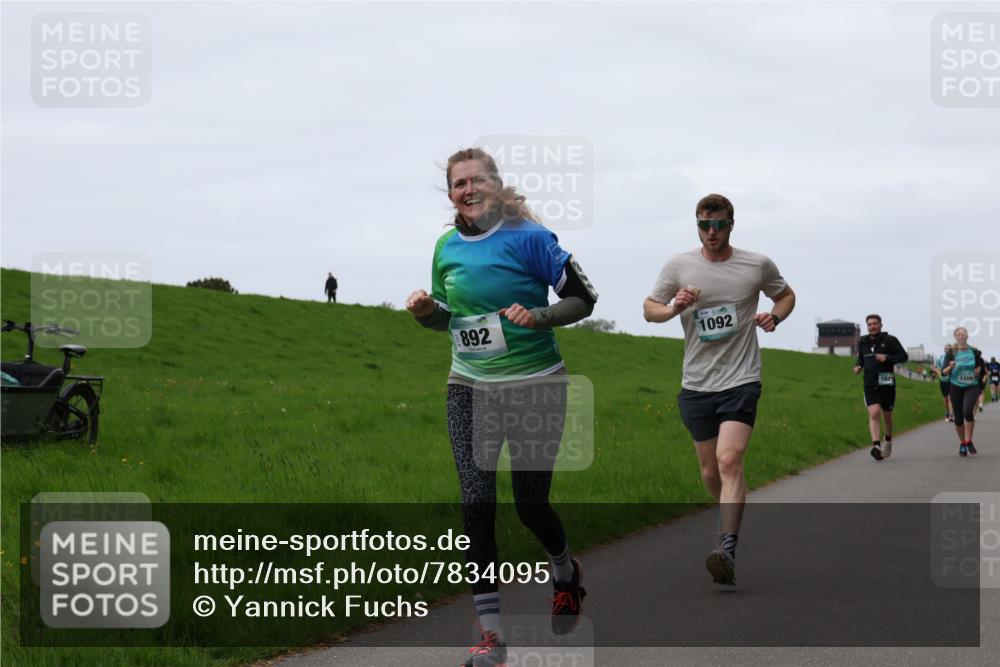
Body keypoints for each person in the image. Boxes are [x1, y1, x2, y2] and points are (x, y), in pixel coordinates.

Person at [405, 148, 598, 666]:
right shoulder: (446, 247)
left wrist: (540, 315)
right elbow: (453, 320)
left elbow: (584, 298)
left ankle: (565, 572)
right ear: (450, 195)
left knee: (530, 505)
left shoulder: (531, 239)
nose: (469, 190)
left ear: (496, 183)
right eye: (458, 184)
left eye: (477, 181)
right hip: (469, 385)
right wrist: (428, 312)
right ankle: (491, 638)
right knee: (476, 502)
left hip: (537, 385)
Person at [643, 193, 795, 587]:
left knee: (729, 461)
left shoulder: (755, 264)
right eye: (704, 225)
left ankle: (727, 547)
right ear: (697, 226)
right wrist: (675, 306)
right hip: (696, 383)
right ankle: (730, 509)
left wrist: (774, 316)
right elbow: (649, 309)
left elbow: (786, 294)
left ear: (731, 224)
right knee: (710, 470)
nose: (711, 232)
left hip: (741, 379)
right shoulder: (679, 265)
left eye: (719, 225)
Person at [853, 315, 908, 461]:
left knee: (887, 416)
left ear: (881, 325)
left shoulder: (890, 340)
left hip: (887, 382)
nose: (872, 326)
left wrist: (887, 358)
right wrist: (858, 366)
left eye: (875, 323)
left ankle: (888, 440)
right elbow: (862, 357)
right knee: (874, 412)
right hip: (870, 382)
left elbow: (904, 356)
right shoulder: (863, 341)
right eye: (869, 324)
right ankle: (876, 446)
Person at [941, 327, 984, 456]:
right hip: (955, 386)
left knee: (967, 411)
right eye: (958, 334)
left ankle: (969, 440)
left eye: (963, 334)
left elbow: (980, 366)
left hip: (971, 385)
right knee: (958, 418)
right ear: (955, 337)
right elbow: (943, 371)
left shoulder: (974, 351)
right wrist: (950, 366)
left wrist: (978, 371)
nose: (960, 336)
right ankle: (963, 443)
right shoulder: (951, 352)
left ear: (967, 336)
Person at [933, 347, 954, 421]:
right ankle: (947, 412)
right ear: (944, 350)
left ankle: (951, 414)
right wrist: (940, 373)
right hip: (943, 380)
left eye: (949, 348)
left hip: (951, 380)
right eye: (946, 348)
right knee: (945, 398)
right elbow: (935, 368)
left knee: (950, 397)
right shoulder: (940, 358)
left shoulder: (953, 357)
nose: (947, 349)